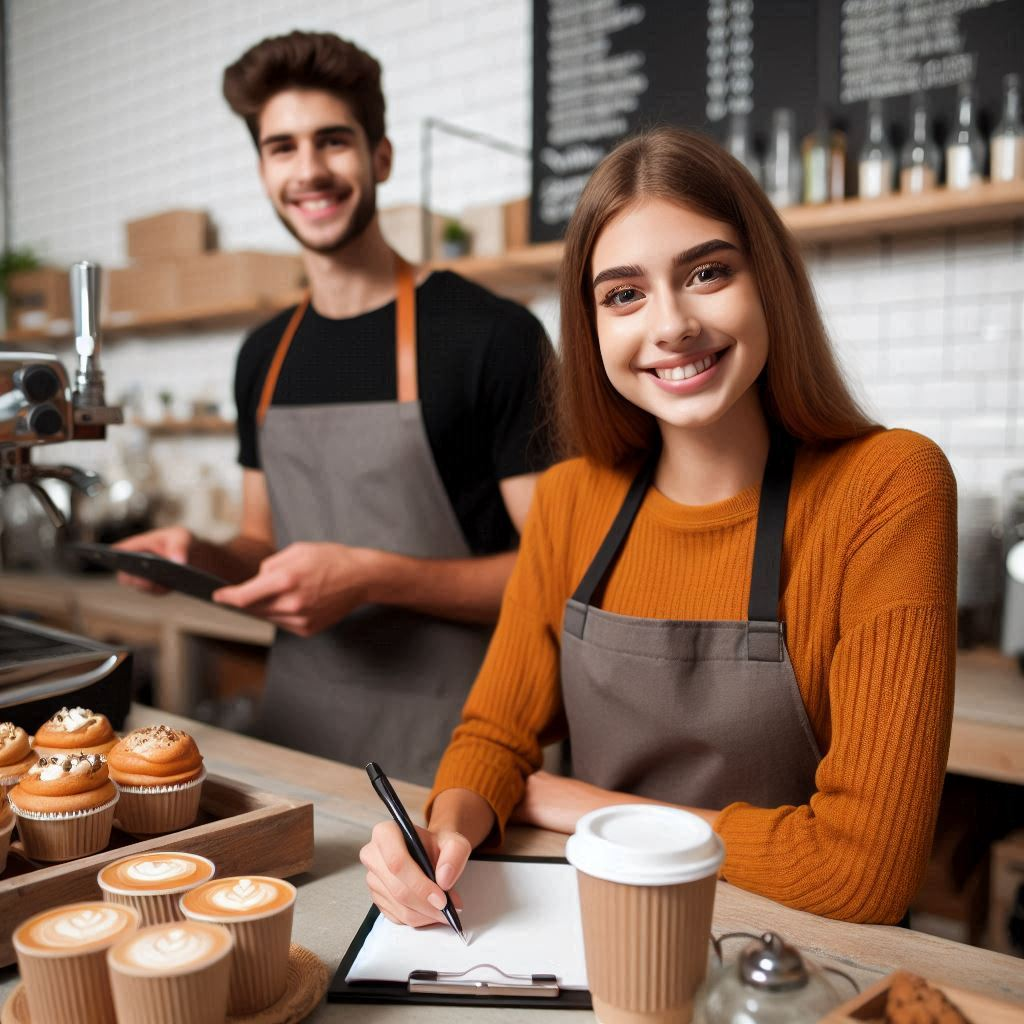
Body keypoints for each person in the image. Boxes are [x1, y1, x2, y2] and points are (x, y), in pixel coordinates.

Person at [360, 126, 957, 924]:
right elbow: (495, 737)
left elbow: (863, 871)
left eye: (707, 272)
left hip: (796, 965)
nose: (670, 324)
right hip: (606, 935)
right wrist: (447, 833)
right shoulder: (572, 498)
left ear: (768, 282)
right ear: (592, 325)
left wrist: (590, 809)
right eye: (624, 294)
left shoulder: (888, 487)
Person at [115, 31, 553, 784]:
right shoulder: (264, 355)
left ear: (379, 158)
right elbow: (262, 544)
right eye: (282, 147)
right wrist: (197, 557)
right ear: (261, 169)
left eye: (333, 142)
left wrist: (372, 577)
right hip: (302, 739)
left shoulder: (490, 334)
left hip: (467, 747)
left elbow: (556, 576)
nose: (310, 170)